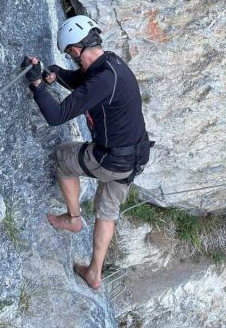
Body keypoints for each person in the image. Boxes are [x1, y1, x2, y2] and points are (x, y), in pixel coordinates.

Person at [25, 15, 151, 291]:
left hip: (112, 157)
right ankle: (94, 273)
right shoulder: (111, 63)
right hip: (136, 157)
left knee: (62, 158)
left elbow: (56, 115)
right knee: (107, 211)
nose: (72, 60)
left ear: (76, 48)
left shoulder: (103, 79)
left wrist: (37, 86)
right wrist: (57, 74)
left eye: (70, 55)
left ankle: (72, 219)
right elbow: (85, 83)